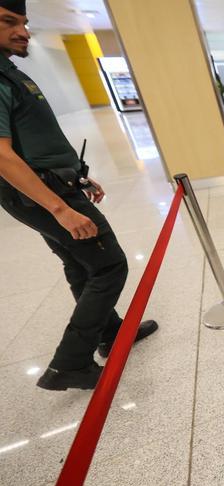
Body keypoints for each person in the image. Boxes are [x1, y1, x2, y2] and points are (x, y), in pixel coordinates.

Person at [0, 0, 157, 391]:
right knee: (109, 266)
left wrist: (77, 177)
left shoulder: (11, 73)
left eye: (24, 22)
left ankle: (111, 333)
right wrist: (60, 209)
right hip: (46, 194)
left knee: (79, 264)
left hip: (56, 184)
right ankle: (70, 362)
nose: (23, 31)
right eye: (8, 22)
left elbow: (36, 143)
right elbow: (1, 156)